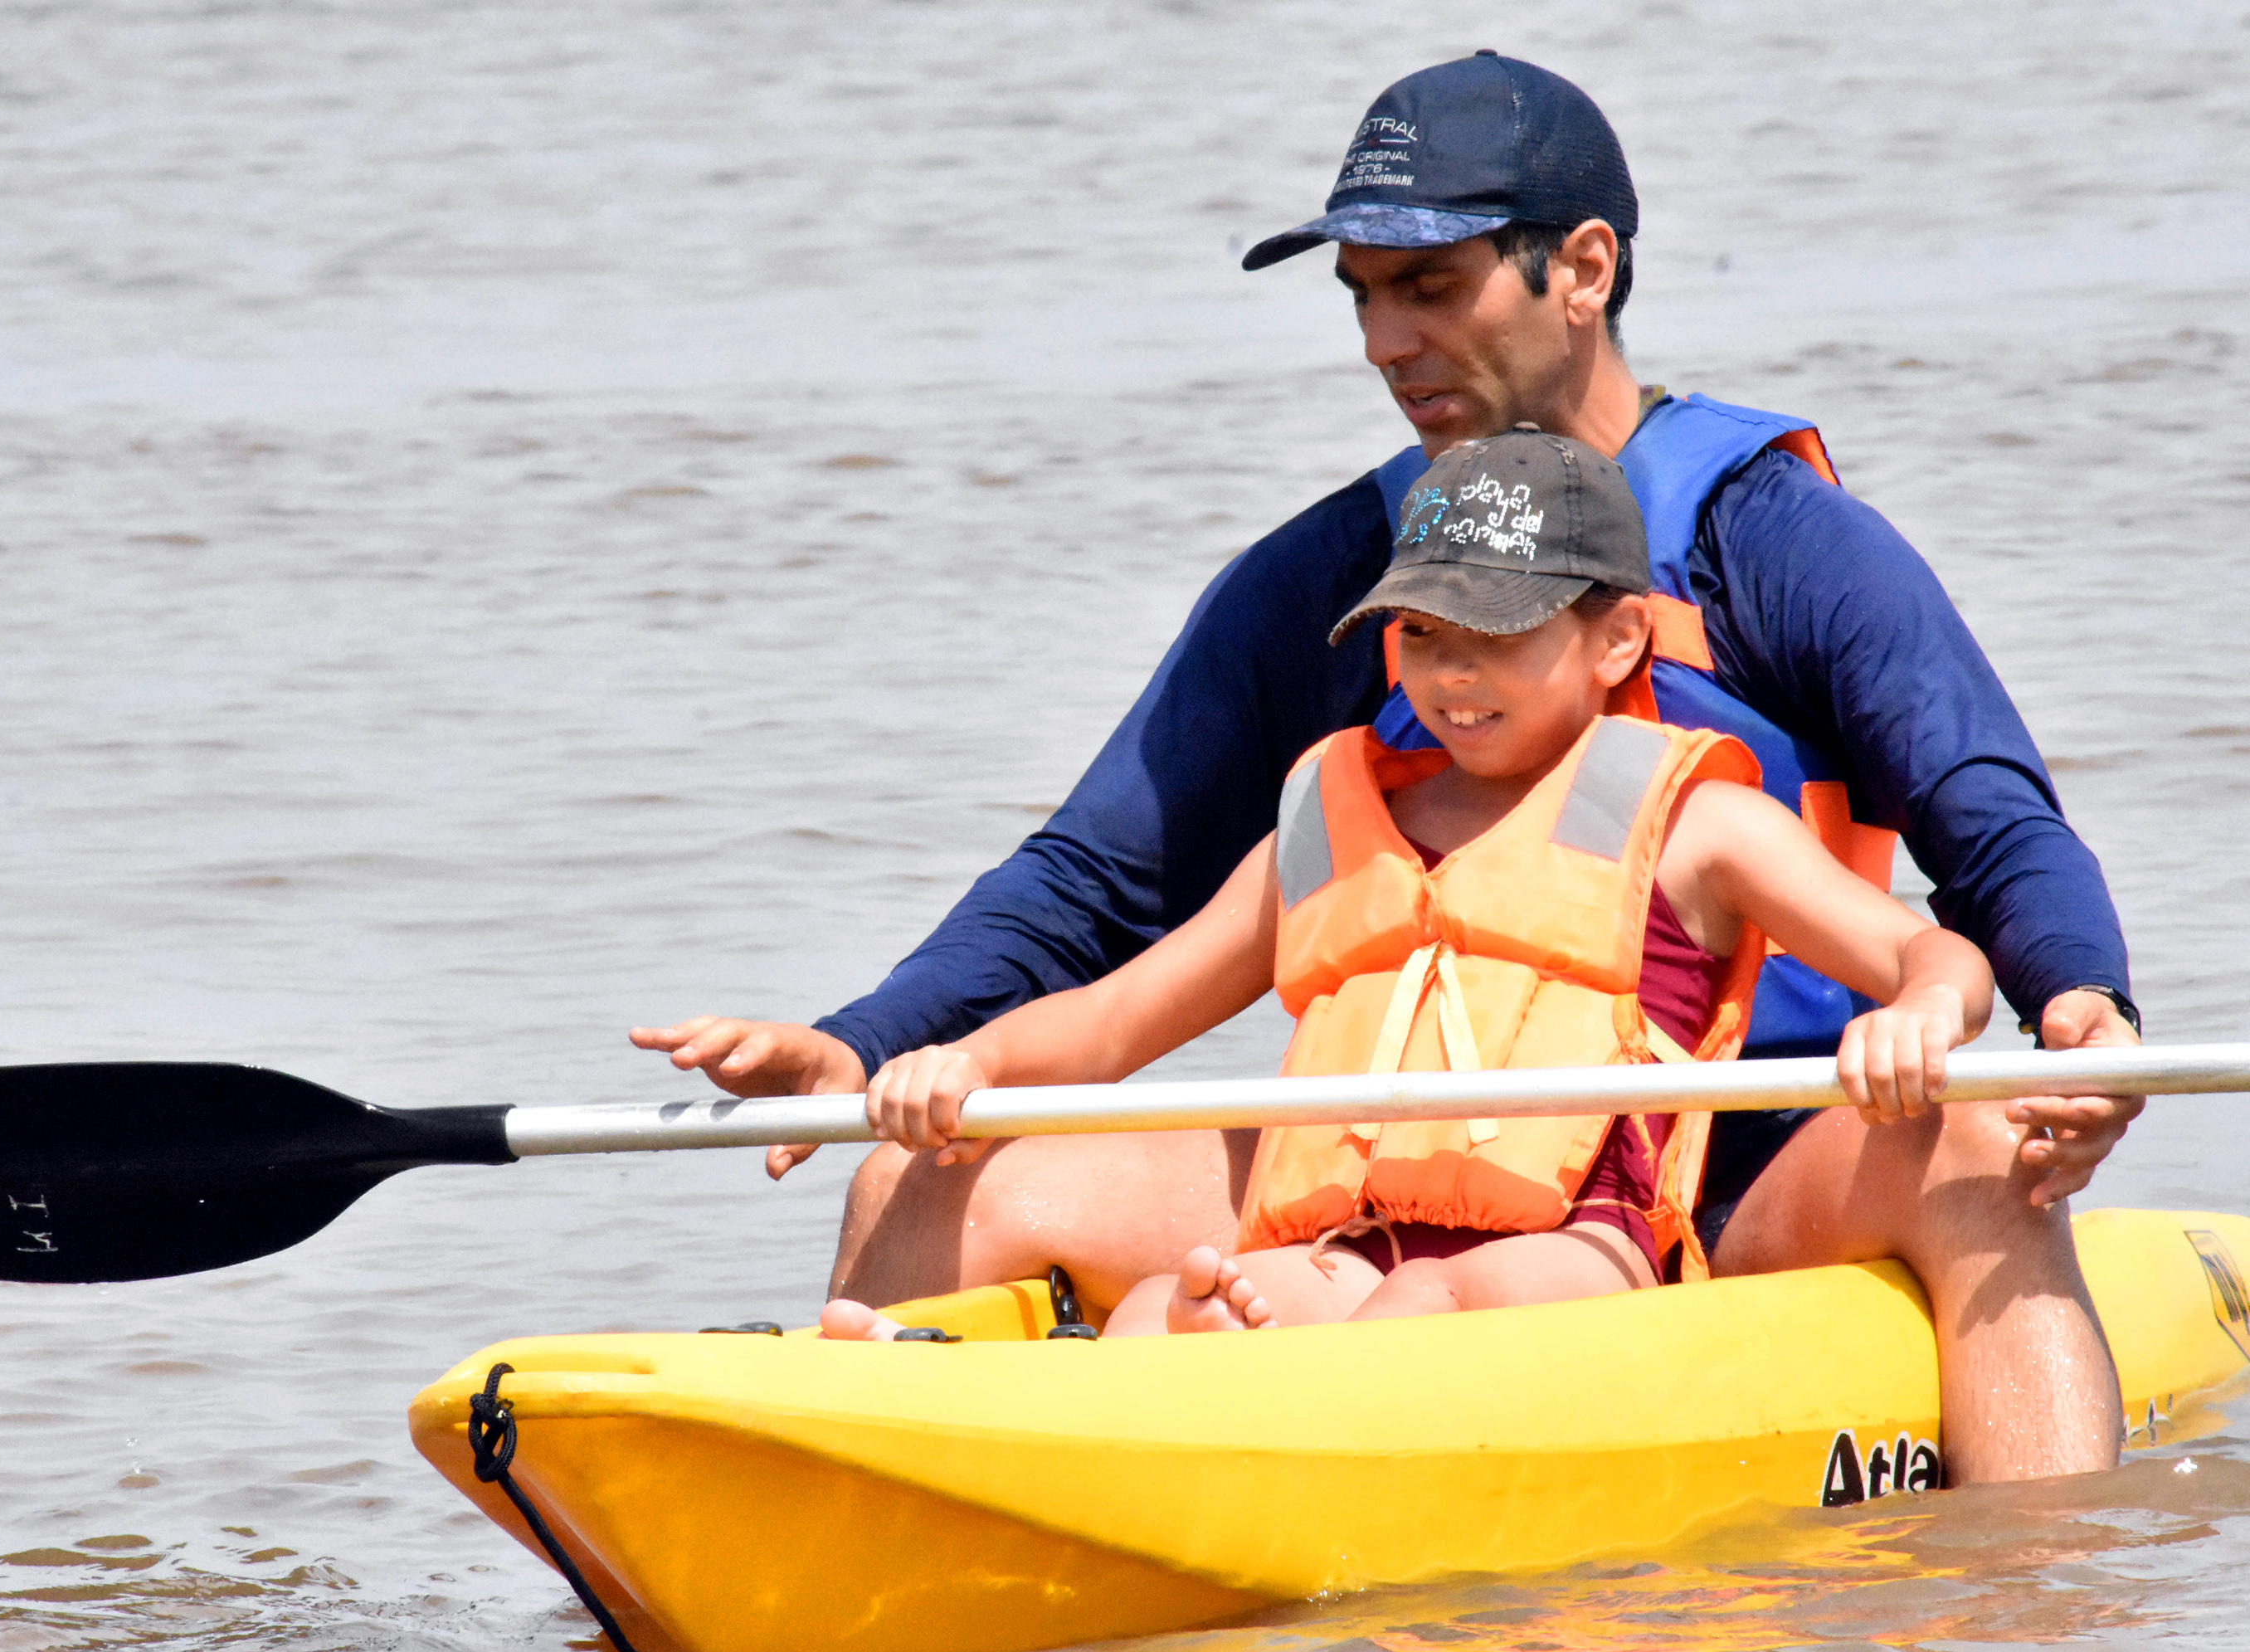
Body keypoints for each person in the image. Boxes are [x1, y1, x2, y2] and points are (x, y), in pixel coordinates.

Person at [631, 54, 2140, 1484]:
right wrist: (871, 1041)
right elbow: (1099, 881)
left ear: (1585, 270)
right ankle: (889, 1508)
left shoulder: (1775, 542)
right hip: (1378, 1172)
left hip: (1727, 1160)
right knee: (928, 1171)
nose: (1383, 342)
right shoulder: (1341, 576)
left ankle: (2049, 1573)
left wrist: (2079, 1003)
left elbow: (1985, 815)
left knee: (1988, 1144)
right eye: (1362, 297)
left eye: (1429, 286)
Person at [811, 428, 1998, 1344]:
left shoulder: (1704, 826)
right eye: (1422, 636)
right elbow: (1118, 1016)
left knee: (1434, 1299)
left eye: (1496, 635)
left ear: (1621, 641)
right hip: (1354, 1245)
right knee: (1162, 1315)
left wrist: (1925, 1015)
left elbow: (1928, 955)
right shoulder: (1327, 828)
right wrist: (977, 1065)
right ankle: (1011, 1421)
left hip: (1581, 1259)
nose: (1452, 675)